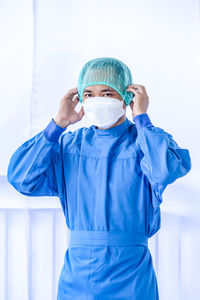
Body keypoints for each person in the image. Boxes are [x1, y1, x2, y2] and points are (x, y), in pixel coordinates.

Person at [7, 57, 192, 300]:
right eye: (89, 94)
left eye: (107, 93)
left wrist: (142, 119)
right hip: (78, 277)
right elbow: (21, 178)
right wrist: (58, 123)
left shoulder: (144, 142)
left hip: (131, 274)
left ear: (127, 97)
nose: (98, 101)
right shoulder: (70, 146)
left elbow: (165, 170)